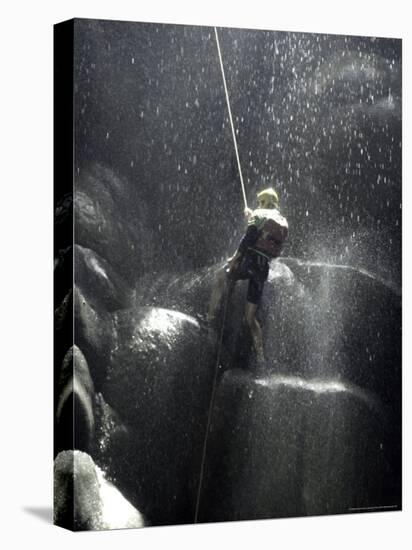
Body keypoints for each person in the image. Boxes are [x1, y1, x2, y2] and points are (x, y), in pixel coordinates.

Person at [208, 187, 288, 366]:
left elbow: (248, 238)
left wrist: (235, 259)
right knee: (250, 316)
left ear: (265, 202)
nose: (258, 205)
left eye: (260, 202)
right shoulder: (281, 220)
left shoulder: (259, 214)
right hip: (262, 268)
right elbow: (264, 236)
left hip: (249, 262)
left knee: (221, 275)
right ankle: (261, 357)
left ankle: (210, 318)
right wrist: (251, 217)